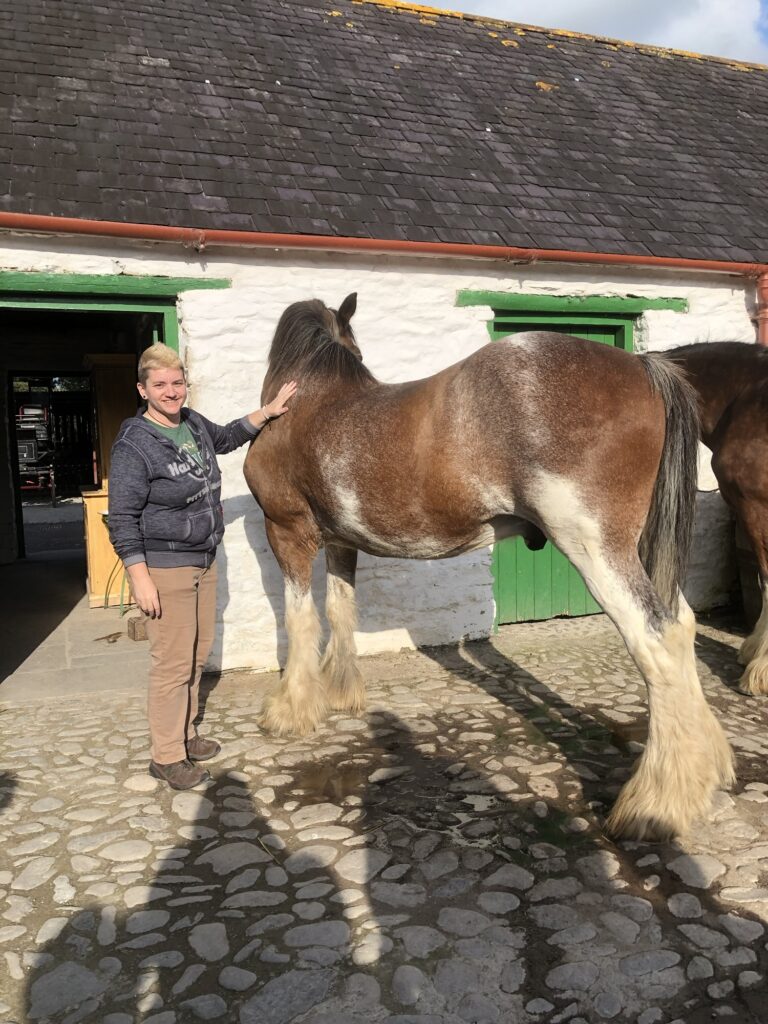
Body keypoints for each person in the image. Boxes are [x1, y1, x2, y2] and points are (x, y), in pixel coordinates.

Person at [108, 343, 296, 791]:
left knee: (194, 655)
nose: (171, 391)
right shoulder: (134, 444)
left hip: (203, 559)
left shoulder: (191, 424)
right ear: (143, 389)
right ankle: (166, 756)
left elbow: (227, 437)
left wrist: (268, 411)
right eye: (160, 385)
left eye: (177, 382)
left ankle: (186, 734)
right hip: (166, 567)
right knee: (171, 664)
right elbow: (122, 518)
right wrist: (139, 577)